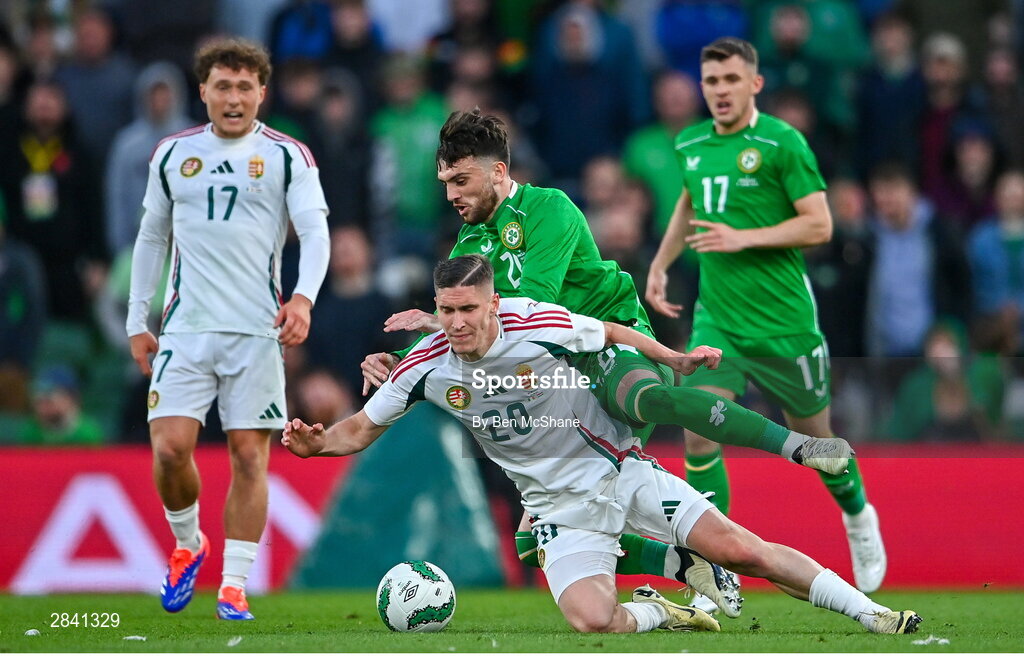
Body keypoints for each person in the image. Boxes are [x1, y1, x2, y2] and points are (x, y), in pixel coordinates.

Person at [361, 108, 853, 607]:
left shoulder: (548, 208)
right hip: (560, 381)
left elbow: (538, 302)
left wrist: (445, 315)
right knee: (532, 543)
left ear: (498, 172)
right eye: (445, 182)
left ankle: (799, 446)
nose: (451, 194)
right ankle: (682, 562)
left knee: (647, 398)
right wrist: (397, 360)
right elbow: (468, 332)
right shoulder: (470, 243)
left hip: (609, 341)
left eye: (461, 179)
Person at [292, 255, 921, 635]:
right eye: (446, 309)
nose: (457, 322)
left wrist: (673, 356)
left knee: (744, 550)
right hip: (553, 509)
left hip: (620, 470)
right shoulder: (424, 365)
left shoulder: (535, 322)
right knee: (593, 619)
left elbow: (612, 328)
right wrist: (314, 444)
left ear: (492, 303)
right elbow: (359, 429)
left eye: (468, 308)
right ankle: (668, 611)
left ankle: (870, 614)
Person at [645, 37, 887, 596]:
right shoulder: (692, 141)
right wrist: (661, 263)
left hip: (784, 325)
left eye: (731, 80)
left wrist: (743, 237)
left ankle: (857, 514)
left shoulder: (782, 142)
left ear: (754, 84)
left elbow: (820, 224)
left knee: (817, 443)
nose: (720, 91)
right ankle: (717, 566)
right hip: (718, 321)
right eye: (711, 82)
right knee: (699, 431)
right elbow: (691, 200)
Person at [126, 38, 330, 621]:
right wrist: (139, 319)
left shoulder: (289, 155)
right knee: (169, 450)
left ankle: (234, 585)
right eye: (223, 86)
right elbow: (151, 238)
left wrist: (303, 298)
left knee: (248, 457)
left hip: (256, 330)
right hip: (185, 330)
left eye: (245, 87)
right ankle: (189, 543)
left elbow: (314, 233)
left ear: (262, 93)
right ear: (203, 92)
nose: (234, 97)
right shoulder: (172, 154)